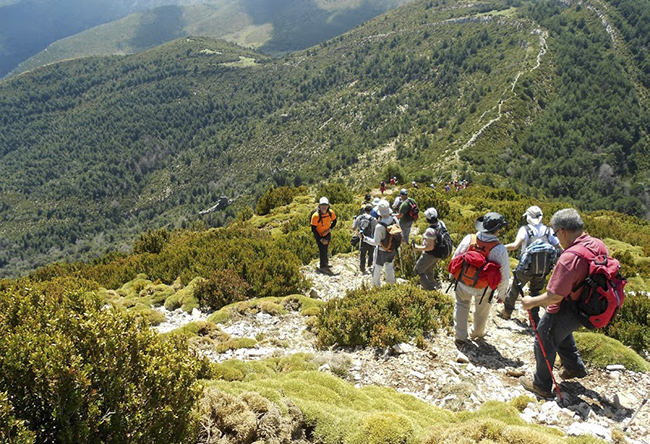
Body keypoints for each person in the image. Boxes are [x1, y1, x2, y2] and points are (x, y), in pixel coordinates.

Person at [519, 209, 601, 398]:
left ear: (563, 231)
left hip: (570, 306)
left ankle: (541, 384)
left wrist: (531, 302)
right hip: (590, 305)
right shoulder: (596, 244)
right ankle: (575, 368)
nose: (557, 239)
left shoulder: (569, 257)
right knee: (561, 332)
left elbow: (554, 296)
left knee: (543, 338)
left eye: (556, 234)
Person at [451, 212, 510, 347]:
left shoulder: (469, 239)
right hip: (484, 288)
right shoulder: (499, 249)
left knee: (461, 305)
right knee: (482, 310)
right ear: (498, 229)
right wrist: (501, 294)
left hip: (463, 281)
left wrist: (453, 276)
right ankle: (476, 333)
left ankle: (460, 336)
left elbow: (456, 257)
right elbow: (504, 276)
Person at [498, 206, 561, 324]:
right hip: (543, 269)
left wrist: (499, 248)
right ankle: (535, 319)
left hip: (526, 268)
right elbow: (558, 246)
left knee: (515, 288)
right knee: (535, 292)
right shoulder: (549, 231)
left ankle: (507, 312)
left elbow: (515, 245)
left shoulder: (525, 229)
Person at [363, 200, 398, 287]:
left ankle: (376, 286)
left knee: (377, 269)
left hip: (382, 251)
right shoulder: (394, 219)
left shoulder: (379, 226)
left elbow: (376, 242)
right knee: (389, 267)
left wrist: (365, 238)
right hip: (393, 248)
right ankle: (391, 284)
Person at [412, 207, 446, 290]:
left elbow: (430, 247)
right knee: (429, 269)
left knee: (417, 271)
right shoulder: (441, 224)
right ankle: (431, 283)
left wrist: (417, 248)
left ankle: (430, 290)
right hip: (439, 253)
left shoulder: (430, 231)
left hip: (430, 254)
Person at [311, 197, 337, 275]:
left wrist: (330, 229)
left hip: (327, 233)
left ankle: (325, 263)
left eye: (325, 205)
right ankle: (322, 267)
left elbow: (335, 221)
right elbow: (313, 229)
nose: (324, 206)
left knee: (325, 248)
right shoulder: (315, 216)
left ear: (328, 205)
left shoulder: (330, 213)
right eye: (322, 205)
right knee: (322, 249)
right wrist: (320, 239)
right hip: (318, 234)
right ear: (319, 205)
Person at [352, 204, 377, 274]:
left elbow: (353, 227)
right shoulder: (373, 219)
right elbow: (376, 228)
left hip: (362, 237)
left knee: (362, 253)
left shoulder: (359, 217)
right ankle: (369, 264)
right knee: (371, 251)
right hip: (371, 238)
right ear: (371, 210)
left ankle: (362, 267)